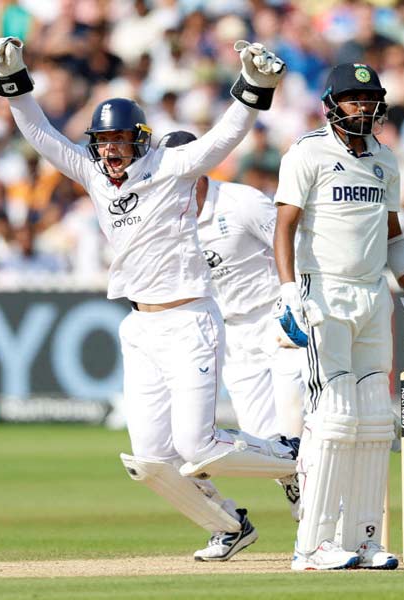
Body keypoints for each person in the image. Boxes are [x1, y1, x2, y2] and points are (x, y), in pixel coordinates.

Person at [0, 36, 298, 562]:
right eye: (102, 141)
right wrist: (12, 82)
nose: (110, 151)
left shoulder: (172, 167)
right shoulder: (93, 176)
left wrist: (256, 84)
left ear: (142, 141)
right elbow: (40, 133)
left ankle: (291, 456)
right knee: (151, 458)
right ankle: (228, 524)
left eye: (121, 141)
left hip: (190, 317)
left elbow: (226, 135)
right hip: (140, 329)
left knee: (198, 447)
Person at [273, 63, 404, 570]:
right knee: (334, 417)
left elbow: (393, 235)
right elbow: (283, 228)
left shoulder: (384, 160)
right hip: (323, 293)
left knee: (372, 420)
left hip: (373, 297)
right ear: (332, 103)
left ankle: (363, 539)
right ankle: (311, 546)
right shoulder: (307, 152)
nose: (363, 108)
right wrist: (286, 292)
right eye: (352, 100)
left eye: (369, 100)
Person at [157, 130, 308, 557]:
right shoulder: (168, 219)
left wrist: (294, 303)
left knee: (294, 432)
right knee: (268, 446)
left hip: (278, 322)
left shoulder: (241, 202)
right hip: (233, 334)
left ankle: (316, 529)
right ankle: (293, 510)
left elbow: (292, 244)